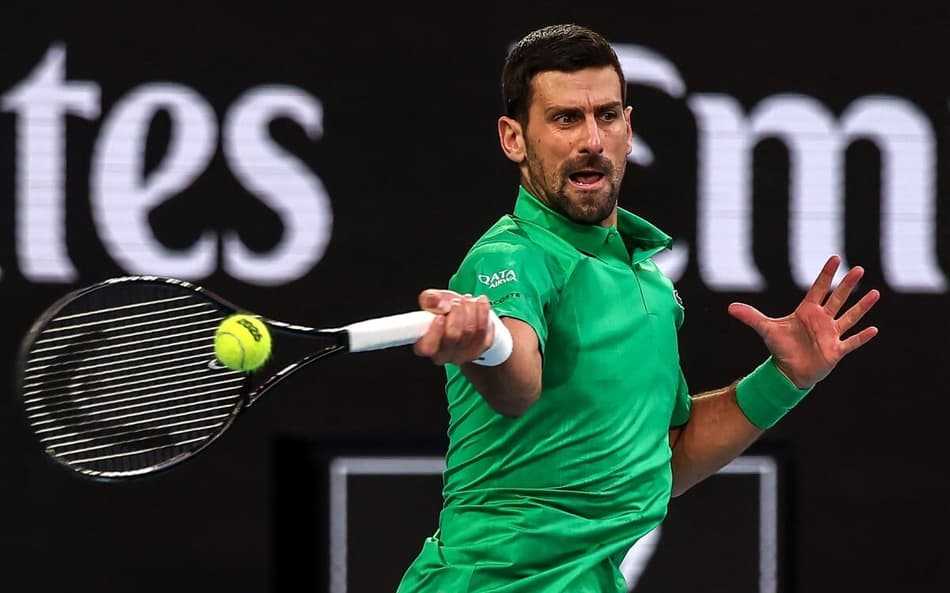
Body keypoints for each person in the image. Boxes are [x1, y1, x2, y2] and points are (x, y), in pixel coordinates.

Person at [397, 23, 880, 593]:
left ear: (628, 129)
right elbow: (517, 380)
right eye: (564, 119)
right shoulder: (510, 257)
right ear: (513, 138)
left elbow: (664, 458)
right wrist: (484, 347)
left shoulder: (646, 281)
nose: (591, 140)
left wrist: (784, 379)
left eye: (606, 115)